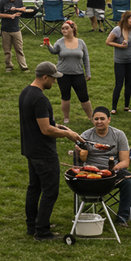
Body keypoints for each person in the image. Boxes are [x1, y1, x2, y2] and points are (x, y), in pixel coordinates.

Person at [19, 62, 82, 240]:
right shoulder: (40, 99)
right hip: (43, 152)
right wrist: (68, 135)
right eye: (53, 79)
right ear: (45, 77)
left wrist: (58, 126)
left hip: (30, 149)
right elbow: (46, 129)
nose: (55, 82)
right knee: (50, 191)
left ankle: (32, 225)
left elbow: (39, 122)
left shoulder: (25, 92)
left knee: (34, 187)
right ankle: (42, 231)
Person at [78, 107, 131, 226]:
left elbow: (125, 161)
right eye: (96, 119)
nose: (99, 121)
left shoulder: (118, 135)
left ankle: (122, 217)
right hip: (91, 173)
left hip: (112, 171)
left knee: (128, 182)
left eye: (102, 119)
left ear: (109, 119)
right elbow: (81, 159)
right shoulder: (85, 136)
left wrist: (112, 170)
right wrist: (80, 153)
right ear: (92, 120)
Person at [46, 19, 93, 124]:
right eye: (62, 28)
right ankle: (66, 118)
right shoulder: (59, 42)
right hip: (63, 74)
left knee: (84, 97)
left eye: (66, 28)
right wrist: (48, 45)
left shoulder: (81, 42)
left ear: (72, 29)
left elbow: (86, 59)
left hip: (78, 74)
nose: (64, 30)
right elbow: (54, 51)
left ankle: (91, 117)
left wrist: (88, 73)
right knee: (65, 96)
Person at [106, 9, 131, 115]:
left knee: (129, 84)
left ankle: (126, 106)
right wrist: (120, 46)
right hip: (120, 61)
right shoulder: (117, 30)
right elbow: (108, 42)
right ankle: (114, 108)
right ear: (126, 19)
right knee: (119, 84)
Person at [0, 0, 28, 72]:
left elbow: (22, 11)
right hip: (5, 29)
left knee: (19, 49)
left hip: (16, 29)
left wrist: (17, 11)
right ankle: (9, 66)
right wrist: (10, 16)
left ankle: (23, 66)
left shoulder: (19, 1)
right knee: (7, 50)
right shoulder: (3, 2)